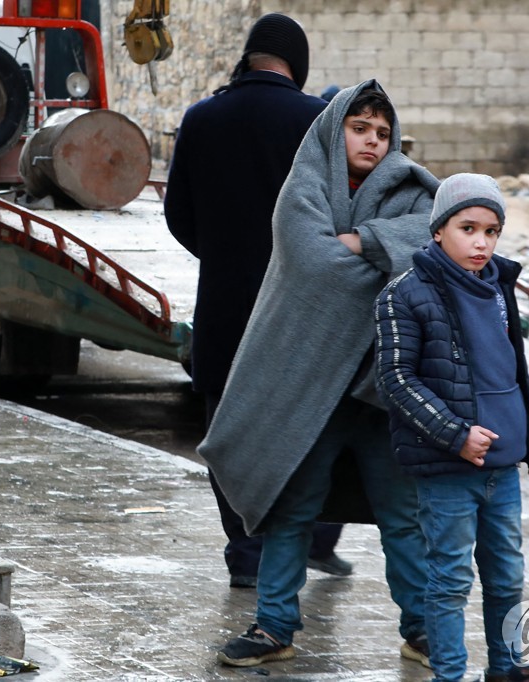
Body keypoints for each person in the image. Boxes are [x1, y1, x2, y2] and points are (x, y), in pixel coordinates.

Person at [202, 80, 439, 668]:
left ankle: (423, 628)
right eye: (361, 129)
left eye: (383, 133)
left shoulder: (413, 189)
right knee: (292, 506)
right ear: (338, 131)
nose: (373, 142)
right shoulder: (304, 187)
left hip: (382, 388)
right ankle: (274, 626)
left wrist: (366, 239)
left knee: (402, 516)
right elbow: (312, 267)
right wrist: (385, 263)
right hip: (309, 387)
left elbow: (435, 246)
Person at [163, 13, 351, 589]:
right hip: (299, 306)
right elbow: (339, 213)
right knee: (309, 425)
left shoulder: (201, 118)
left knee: (228, 428)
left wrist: (223, 255)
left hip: (224, 305)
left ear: (249, 57)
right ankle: (306, 540)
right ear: (298, 64)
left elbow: (178, 215)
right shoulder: (315, 120)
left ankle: (246, 552)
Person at [374, 173, 529, 682]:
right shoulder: (404, 294)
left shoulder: (500, 288)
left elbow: (513, 375)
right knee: (450, 579)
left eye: (491, 231)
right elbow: (395, 379)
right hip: (448, 467)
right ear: (438, 230)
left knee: (507, 577)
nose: (481, 242)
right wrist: (455, 434)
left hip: (503, 469)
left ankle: (507, 668)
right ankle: (448, 674)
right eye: (467, 228)